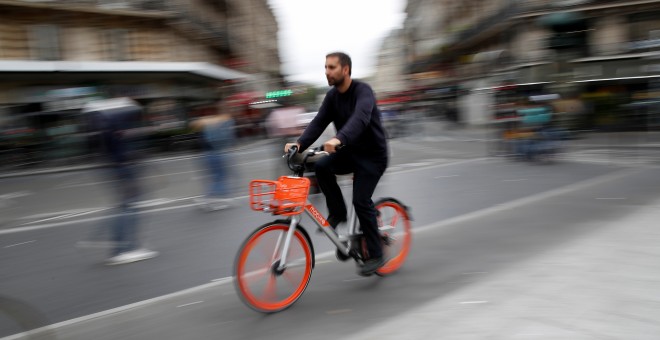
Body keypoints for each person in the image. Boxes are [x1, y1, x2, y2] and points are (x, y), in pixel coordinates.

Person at [285, 52, 389, 276]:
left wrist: (339, 138)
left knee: (361, 201)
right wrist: (299, 144)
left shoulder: (363, 91)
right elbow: (319, 121)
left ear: (346, 70)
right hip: (350, 153)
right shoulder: (332, 97)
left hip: (372, 156)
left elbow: (360, 119)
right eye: (325, 67)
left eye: (332, 67)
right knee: (321, 166)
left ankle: (377, 253)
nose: (326, 72)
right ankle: (339, 213)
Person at [84, 97, 158, 265]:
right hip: (124, 167)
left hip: (111, 166)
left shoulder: (102, 122)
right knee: (129, 207)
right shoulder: (120, 120)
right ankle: (124, 250)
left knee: (124, 206)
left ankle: (122, 248)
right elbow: (124, 148)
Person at [190, 99, 237, 210]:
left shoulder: (209, 121)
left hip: (210, 153)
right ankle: (211, 198)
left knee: (218, 176)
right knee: (220, 176)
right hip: (217, 153)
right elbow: (226, 138)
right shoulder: (224, 120)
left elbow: (194, 125)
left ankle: (217, 197)